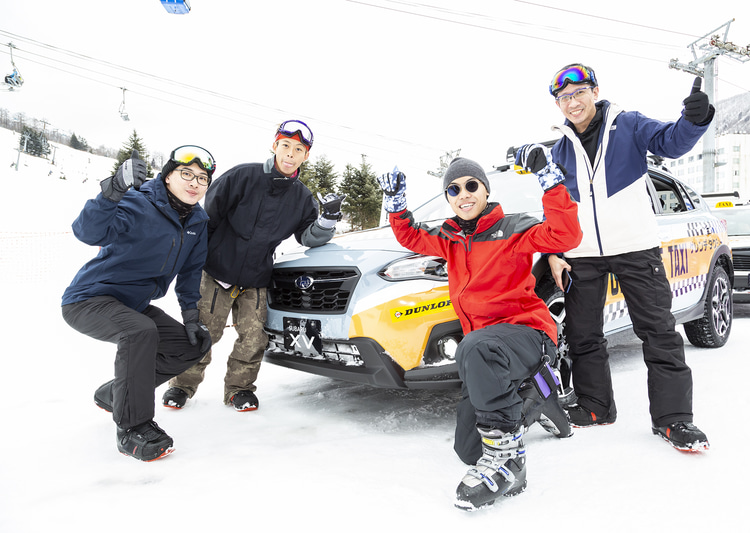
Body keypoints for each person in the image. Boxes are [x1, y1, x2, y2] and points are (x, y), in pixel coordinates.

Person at [516, 63, 715, 452]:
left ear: (594, 91)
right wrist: (555, 251)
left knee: (658, 332)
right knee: (583, 334)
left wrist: (695, 119)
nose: (572, 103)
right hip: (582, 255)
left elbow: (671, 142)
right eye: (563, 98)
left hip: (635, 247)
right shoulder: (560, 149)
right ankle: (594, 406)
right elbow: (556, 206)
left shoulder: (628, 125)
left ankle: (674, 420)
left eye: (578, 94)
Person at [378, 154, 582, 511]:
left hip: (527, 335)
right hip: (485, 349)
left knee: (474, 347)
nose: (463, 194)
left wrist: (549, 178)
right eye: (453, 189)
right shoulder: (450, 237)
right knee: (469, 450)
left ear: (486, 189)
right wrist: (396, 207)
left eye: (471, 185)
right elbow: (410, 236)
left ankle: (510, 461)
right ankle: (538, 399)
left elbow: (566, 233)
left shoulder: (514, 228)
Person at [163, 120, 345, 411]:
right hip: (217, 271)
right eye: (285, 145)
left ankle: (239, 390)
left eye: (299, 149)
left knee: (254, 338)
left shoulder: (302, 197)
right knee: (204, 333)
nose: (290, 153)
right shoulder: (242, 176)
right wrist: (194, 262)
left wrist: (328, 220)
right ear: (274, 146)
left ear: (305, 156)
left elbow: (309, 236)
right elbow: (208, 219)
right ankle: (182, 386)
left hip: (257, 277)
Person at [62, 146, 217, 461]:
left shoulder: (198, 221)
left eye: (202, 178)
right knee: (140, 331)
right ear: (168, 175)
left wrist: (191, 318)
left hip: (134, 305)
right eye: (186, 173)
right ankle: (133, 428)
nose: (195, 183)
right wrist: (113, 190)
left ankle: (118, 392)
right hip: (88, 299)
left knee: (192, 345)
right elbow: (86, 232)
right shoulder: (137, 201)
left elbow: (190, 273)